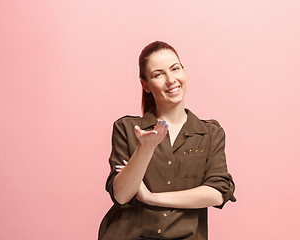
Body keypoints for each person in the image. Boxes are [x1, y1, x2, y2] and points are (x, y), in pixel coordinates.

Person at [98, 41, 236, 240]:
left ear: (183, 70)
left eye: (175, 69)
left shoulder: (210, 133)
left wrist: (151, 198)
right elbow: (121, 195)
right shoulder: (127, 129)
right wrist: (145, 148)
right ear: (145, 84)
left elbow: (216, 193)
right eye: (158, 74)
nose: (171, 80)